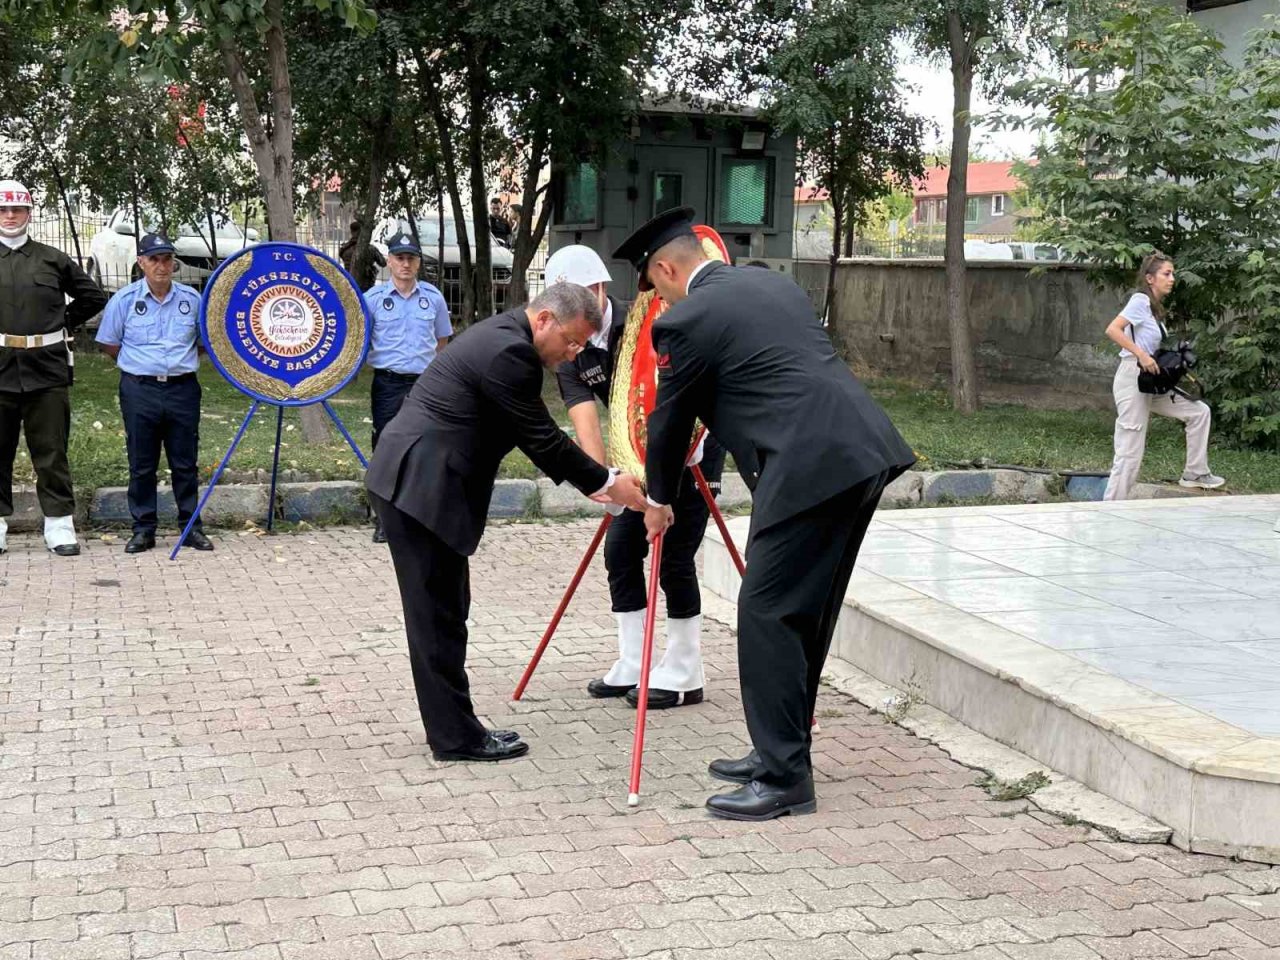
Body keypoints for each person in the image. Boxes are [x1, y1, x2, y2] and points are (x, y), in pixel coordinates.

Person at [614, 206, 916, 821]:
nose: (658, 303)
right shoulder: (771, 283)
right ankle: (780, 751)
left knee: (765, 612)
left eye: (656, 288)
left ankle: (784, 779)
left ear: (668, 270)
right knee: (806, 609)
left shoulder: (689, 320)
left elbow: (670, 423)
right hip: (859, 454)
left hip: (807, 470)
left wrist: (660, 501)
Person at [365, 283, 649, 763]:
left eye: (582, 346)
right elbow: (541, 438)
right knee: (436, 617)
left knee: (447, 613)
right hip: (420, 486)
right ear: (544, 320)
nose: (574, 354)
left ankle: (457, 728)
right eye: (573, 341)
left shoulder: (504, 338)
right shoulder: (508, 353)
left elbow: (530, 436)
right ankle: (455, 739)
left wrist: (600, 480)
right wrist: (606, 481)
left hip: (423, 483)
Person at [546, 244, 725, 710]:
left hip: (689, 451)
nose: (570, 315)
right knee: (621, 549)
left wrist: (661, 469)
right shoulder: (570, 347)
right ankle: (635, 660)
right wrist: (604, 482)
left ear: (600, 289)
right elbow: (585, 417)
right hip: (636, 459)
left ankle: (686, 668)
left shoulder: (646, 321)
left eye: (578, 297)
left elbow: (677, 401)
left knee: (673, 558)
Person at [0, 179, 107, 557]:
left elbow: (92, 296)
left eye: (17, 209)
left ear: (29, 213)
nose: (10, 216)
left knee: (51, 450)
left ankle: (59, 525)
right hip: (0, 371)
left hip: (46, 369)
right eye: (3, 209)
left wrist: (61, 321)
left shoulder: (52, 258)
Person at [95, 233, 213, 554]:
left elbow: (203, 343)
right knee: (142, 462)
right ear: (141, 263)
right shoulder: (125, 300)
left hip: (182, 388)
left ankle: (191, 527)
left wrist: (177, 363)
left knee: (185, 461)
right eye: (154, 259)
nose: (161, 266)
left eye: (166, 259)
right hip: (139, 388)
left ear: (174, 263)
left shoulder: (192, 299)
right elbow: (109, 343)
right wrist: (138, 364)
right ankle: (143, 529)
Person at [1102, 253, 1223, 500]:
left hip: (1151, 380)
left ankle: (1195, 473)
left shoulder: (1154, 309)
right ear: (1150, 278)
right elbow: (1112, 329)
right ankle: (1111, 508)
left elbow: (1149, 345)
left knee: (1199, 412)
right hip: (1132, 377)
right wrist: (1142, 356)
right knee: (1130, 449)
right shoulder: (1139, 301)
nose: (1172, 278)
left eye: (1172, 273)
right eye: (1166, 274)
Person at [363, 231, 452, 543]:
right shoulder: (372, 300)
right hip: (387, 382)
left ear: (417, 263)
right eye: (399, 258)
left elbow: (441, 341)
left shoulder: (433, 298)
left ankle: (420, 514)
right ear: (389, 261)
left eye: (410, 258)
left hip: (424, 385)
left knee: (425, 447)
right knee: (385, 447)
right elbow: (360, 340)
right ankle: (384, 518)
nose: (405, 263)